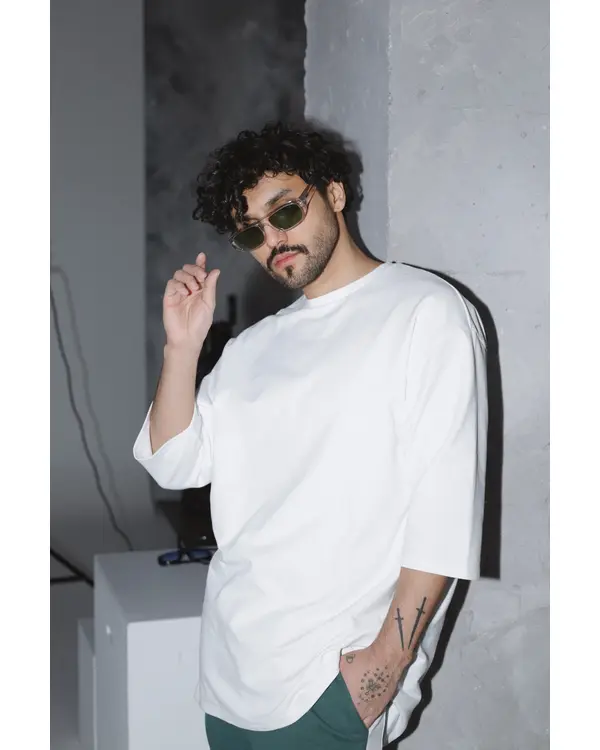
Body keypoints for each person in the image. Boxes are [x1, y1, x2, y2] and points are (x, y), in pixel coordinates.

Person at [133, 122, 488, 750]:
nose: (272, 239)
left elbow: (445, 511)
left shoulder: (423, 312)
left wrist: (383, 669)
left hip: (327, 684)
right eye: (251, 232)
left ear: (334, 193)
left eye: (285, 212)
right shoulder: (252, 348)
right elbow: (172, 461)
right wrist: (181, 347)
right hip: (229, 675)